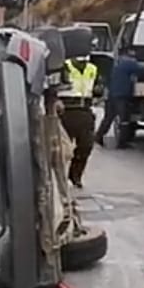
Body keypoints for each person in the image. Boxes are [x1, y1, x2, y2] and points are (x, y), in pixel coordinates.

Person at [95, 48, 144, 146]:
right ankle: (122, 143)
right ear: (126, 55)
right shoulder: (128, 63)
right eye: (132, 56)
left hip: (112, 96)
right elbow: (143, 72)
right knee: (124, 119)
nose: (133, 58)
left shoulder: (116, 64)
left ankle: (98, 137)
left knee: (108, 118)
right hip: (121, 96)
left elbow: (107, 81)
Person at [59, 54, 102, 189]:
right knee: (62, 149)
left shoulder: (92, 68)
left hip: (85, 109)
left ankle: (75, 175)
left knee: (86, 146)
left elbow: (97, 87)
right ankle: (60, 178)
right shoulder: (65, 67)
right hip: (67, 110)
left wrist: (98, 90)